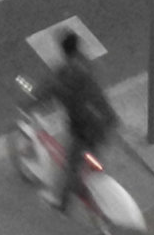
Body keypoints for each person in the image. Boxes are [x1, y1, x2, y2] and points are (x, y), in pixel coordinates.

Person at [44, 29, 120, 212]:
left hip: (84, 128)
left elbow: (49, 92)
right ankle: (97, 180)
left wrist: (30, 103)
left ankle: (62, 204)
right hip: (105, 118)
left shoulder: (66, 74)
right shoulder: (87, 64)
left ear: (63, 51)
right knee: (94, 154)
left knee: (71, 165)